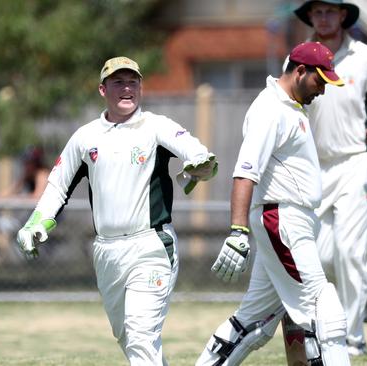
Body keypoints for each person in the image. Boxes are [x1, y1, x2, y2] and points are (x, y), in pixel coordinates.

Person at [15, 56, 218, 366]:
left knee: (140, 335)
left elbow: (195, 152)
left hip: (150, 245)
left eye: (133, 82)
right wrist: (35, 224)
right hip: (107, 252)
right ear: (102, 89)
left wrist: (199, 164)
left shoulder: (156, 127)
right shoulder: (86, 137)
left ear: (141, 87)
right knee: (128, 337)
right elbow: (58, 185)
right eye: (118, 82)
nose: (127, 89)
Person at [196, 42, 350, 366]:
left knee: (255, 323)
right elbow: (245, 172)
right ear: (299, 71)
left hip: (291, 221)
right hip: (282, 220)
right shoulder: (270, 109)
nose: (322, 91)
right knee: (324, 309)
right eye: (319, 81)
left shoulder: (292, 107)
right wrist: (237, 231)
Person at [293, 0, 367, 355]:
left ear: (343, 15)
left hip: (356, 164)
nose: (323, 17)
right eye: (317, 12)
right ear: (310, 16)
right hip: (315, 168)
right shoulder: (297, 58)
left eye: (330, 11)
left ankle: (352, 337)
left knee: (348, 252)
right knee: (323, 257)